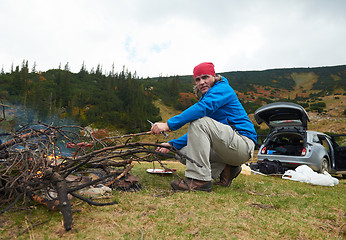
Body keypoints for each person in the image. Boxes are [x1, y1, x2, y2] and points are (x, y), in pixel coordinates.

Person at [151, 62, 257, 192]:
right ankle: (227, 169)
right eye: (197, 79)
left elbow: (202, 111)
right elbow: (197, 135)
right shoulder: (208, 96)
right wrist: (171, 144)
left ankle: (199, 180)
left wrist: (168, 125)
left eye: (205, 77)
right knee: (182, 151)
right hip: (227, 149)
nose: (201, 82)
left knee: (198, 122)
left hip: (243, 144)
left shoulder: (223, 89)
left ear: (214, 76)